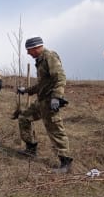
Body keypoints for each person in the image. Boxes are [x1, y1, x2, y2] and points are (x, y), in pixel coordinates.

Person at [16, 36, 72, 173]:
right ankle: (31, 148)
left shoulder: (49, 56)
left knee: (55, 130)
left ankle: (65, 162)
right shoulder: (40, 60)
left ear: (36, 47)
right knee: (24, 118)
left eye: (29, 50)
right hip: (41, 101)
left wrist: (56, 97)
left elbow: (60, 78)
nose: (28, 53)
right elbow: (42, 84)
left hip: (50, 101)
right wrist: (27, 90)